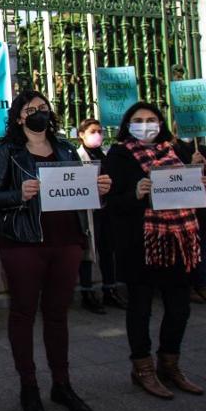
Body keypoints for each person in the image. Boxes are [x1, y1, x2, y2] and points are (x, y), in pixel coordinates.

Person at [0, 91, 111, 411]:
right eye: (30, 110)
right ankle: (28, 386)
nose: (38, 113)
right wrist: (18, 194)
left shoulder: (68, 149)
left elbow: (81, 189)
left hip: (67, 241)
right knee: (23, 313)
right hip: (23, 243)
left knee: (57, 314)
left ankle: (62, 384)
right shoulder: (7, 152)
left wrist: (98, 189)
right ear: (19, 118)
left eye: (42, 108)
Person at [103, 102, 206, 399]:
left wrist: (203, 183)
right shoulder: (119, 154)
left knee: (179, 307)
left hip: (177, 240)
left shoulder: (180, 151)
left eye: (151, 119)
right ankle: (143, 368)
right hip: (140, 242)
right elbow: (110, 201)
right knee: (140, 307)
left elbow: (198, 187)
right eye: (138, 120)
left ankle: (170, 363)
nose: (145, 124)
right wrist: (134, 194)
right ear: (128, 124)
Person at [75, 119, 127, 314]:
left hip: (105, 208)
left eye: (100, 131)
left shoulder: (105, 155)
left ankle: (109, 288)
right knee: (88, 252)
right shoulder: (78, 157)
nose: (97, 135)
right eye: (92, 131)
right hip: (89, 210)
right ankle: (87, 292)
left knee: (107, 250)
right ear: (81, 134)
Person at [174, 134, 206, 304]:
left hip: (204, 208)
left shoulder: (205, 151)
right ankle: (186, 286)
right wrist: (190, 166)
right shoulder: (172, 151)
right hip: (184, 208)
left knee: (203, 249)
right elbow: (171, 179)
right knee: (185, 250)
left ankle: (202, 285)